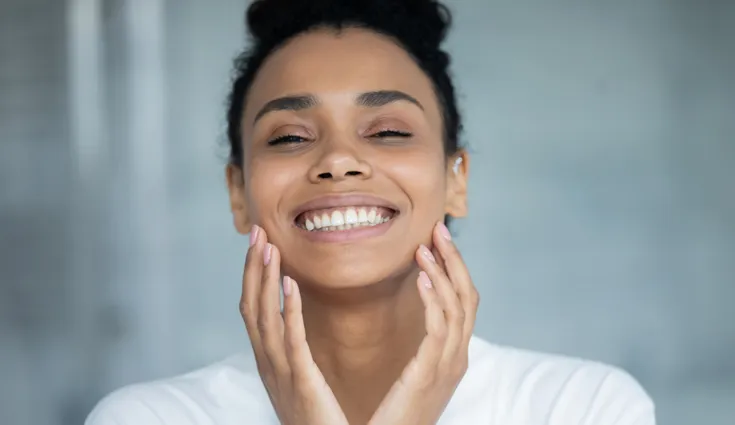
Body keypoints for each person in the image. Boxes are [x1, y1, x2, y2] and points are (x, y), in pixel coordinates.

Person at [86, 0, 656, 424]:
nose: (338, 160)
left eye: (387, 130)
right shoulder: (151, 418)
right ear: (239, 193)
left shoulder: (581, 407)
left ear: (456, 179)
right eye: (288, 138)